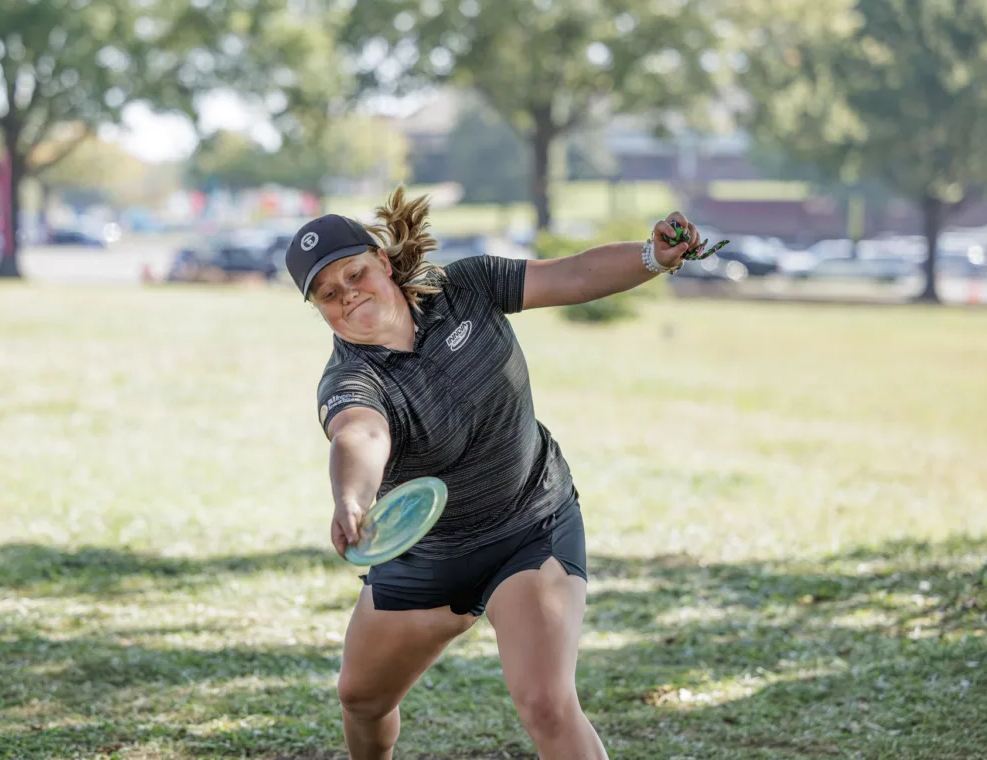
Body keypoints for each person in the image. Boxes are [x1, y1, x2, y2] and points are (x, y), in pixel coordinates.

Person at [284, 186, 704, 760]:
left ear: (382, 261)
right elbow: (361, 433)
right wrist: (351, 499)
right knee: (360, 699)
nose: (348, 296)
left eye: (355, 274)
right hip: (428, 555)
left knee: (547, 703)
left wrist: (651, 256)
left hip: (527, 527)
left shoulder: (467, 287)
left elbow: (574, 275)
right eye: (329, 295)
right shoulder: (350, 378)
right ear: (319, 309)